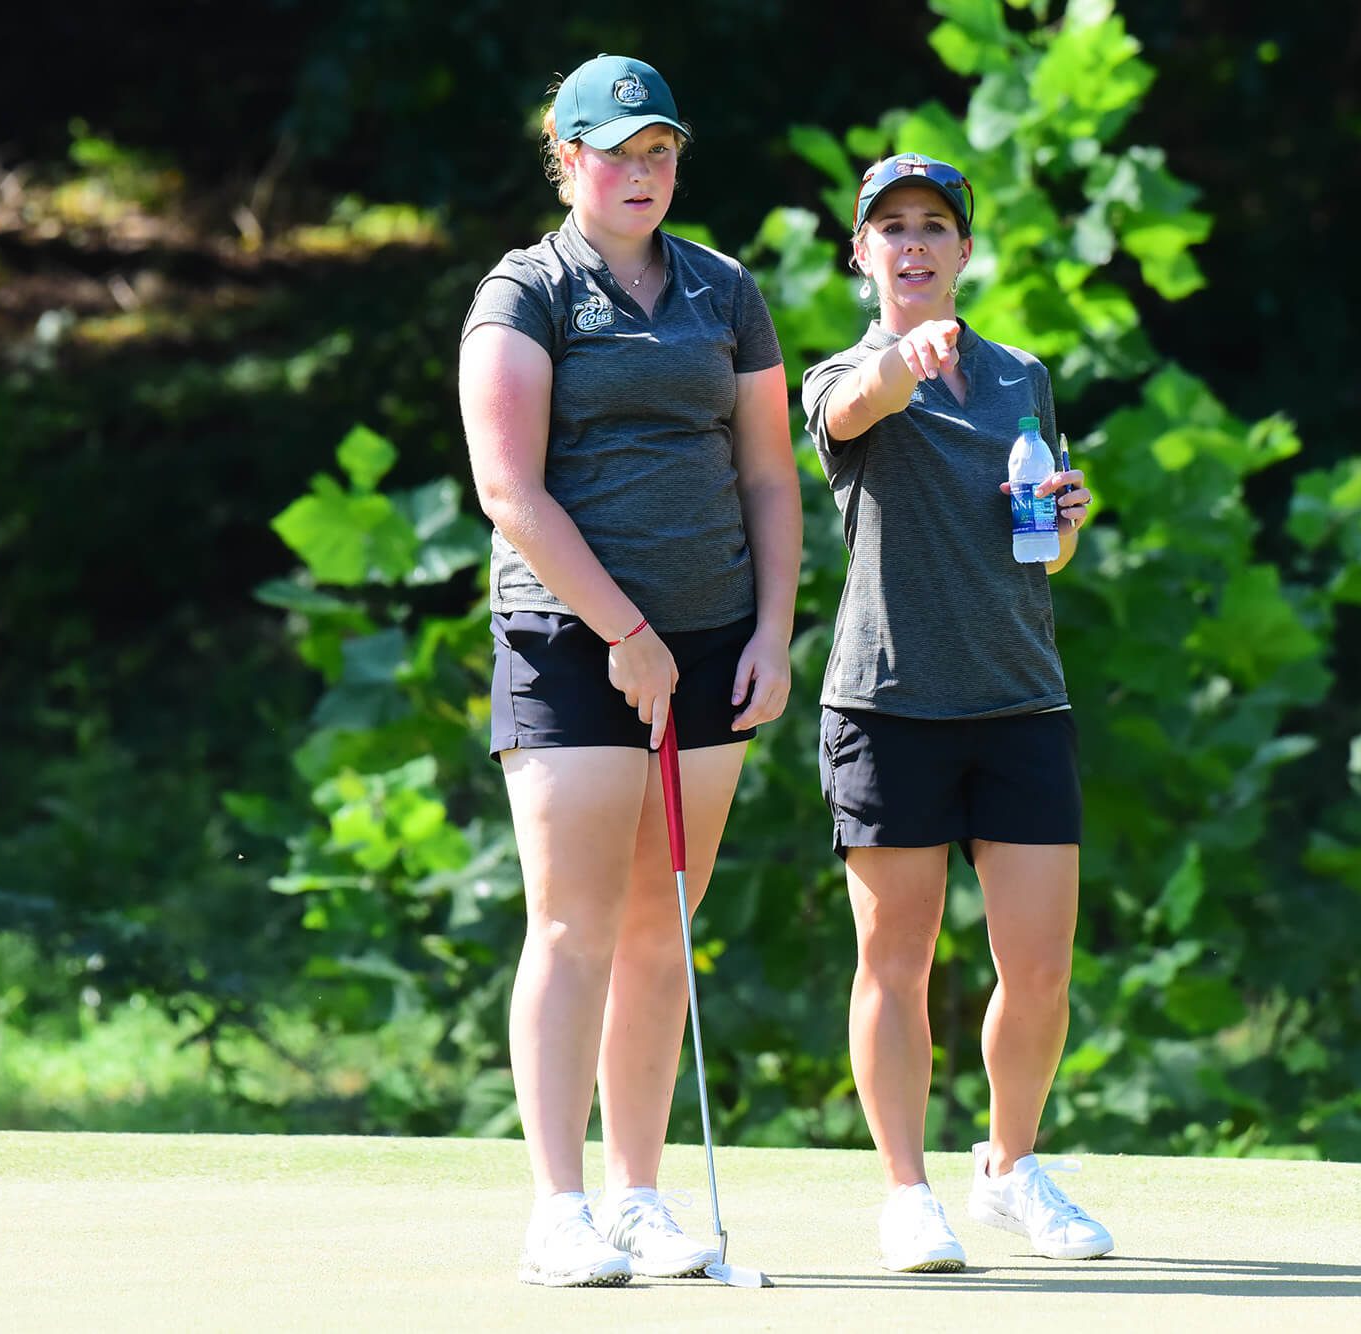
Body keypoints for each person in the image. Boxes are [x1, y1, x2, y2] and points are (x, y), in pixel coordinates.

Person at [456, 53, 799, 1287]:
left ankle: (639, 1195)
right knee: (573, 918)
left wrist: (772, 628)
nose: (642, 172)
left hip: (712, 642)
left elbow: (767, 472)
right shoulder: (528, 290)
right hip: (567, 641)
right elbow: (512, 491)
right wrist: (624, 633)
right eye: (617, 150)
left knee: (662, 924)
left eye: (660, 151)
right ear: (567, 154)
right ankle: (558, 1205)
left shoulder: (721, 289)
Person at [799, 153, 1112, 1273]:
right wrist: (904, 361)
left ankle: (1009, 1167)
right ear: (861, 253)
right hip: (888, 703)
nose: (914, 244)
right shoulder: (842, 372)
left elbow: (1043, 543)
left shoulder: (1021, 373)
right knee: (895, 961)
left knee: (1038, 969)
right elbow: (852, 406)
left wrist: (1066, 517)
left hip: (1020, 695)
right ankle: (902, 1191)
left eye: (934, 226)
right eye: (891, 230)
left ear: (965, 249)